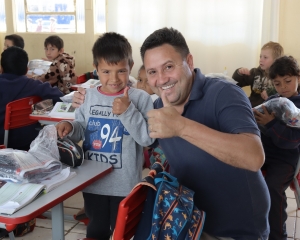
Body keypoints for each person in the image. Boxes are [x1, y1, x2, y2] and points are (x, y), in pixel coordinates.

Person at [72, 27, 270, 239]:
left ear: (189, 62)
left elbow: (254, 157)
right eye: (152, 72)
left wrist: (181, 126)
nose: (162, 79)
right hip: (182, 220)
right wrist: (86, 102)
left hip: (233, 230)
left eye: (168, 67)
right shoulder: (157, 106)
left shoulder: (223, 93)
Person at [56, 32, 154, 240]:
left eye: (121, 71)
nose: (114, 79)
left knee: (123, 232)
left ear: (131, 66)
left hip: (125, 184)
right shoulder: (88, 97)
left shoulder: (140, 99)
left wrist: (128, 111)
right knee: (96, 229)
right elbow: (81, 127)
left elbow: (146, 139)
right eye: (106, 71)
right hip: (93, 182)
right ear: (96, 69)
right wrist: (69, 127)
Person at [253, 56, 300, 240]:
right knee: (243, 176)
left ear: (298, 77)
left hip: (285, 159)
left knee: (273, 187)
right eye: (278, 83)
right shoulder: (274, 100)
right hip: (264, 153)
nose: (284, 87)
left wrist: (271, 123)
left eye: (288, 81)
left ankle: (278, 235)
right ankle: (250, 225)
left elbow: (290, 141)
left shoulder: (297, 107)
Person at [0, 46, 63, 150]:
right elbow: (59, 97)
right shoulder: (34, 85)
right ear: (26, 70)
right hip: (29, 142)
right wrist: (40, 107)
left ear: (1, 68)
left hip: (2, 145)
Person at [232, 41, 284, 107]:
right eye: (260, 56)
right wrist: (239, 73)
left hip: (270, 110)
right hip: (252, 107)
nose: (261, 60)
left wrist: (271, 92)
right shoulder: (255, 72)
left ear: (276, 60)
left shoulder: (281, 76)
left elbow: (284, 91)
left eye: (265, 57)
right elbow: (236, 83)